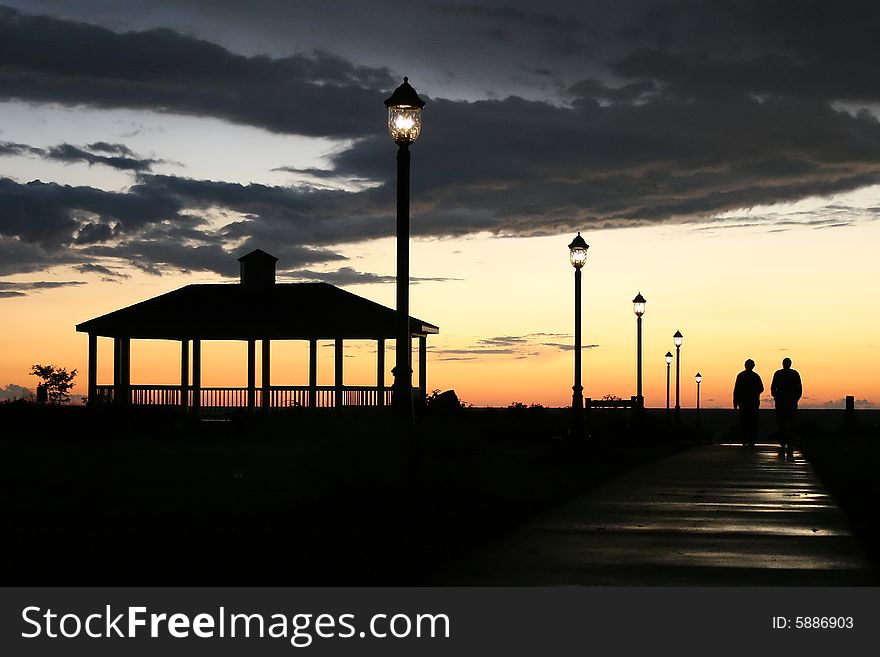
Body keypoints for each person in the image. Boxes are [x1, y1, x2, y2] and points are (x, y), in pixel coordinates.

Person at [771, 357, 802, 451]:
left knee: (783, 422)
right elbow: (799, 388)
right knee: (789, 422)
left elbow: (773, 388)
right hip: (789, 401)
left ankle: (784, 441)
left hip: (784, 401)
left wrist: (776, 397)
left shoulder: (779, 373)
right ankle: (788, 441)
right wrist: (795, 398)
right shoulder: (794, 374)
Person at [733, 359, 763, 446]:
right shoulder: (754, 376)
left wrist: (735, 401)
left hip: (747, 402)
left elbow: (736, 390)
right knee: (749, 421)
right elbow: (761, 388)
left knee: (746, 421)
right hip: (750, 402)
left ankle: (747, 439)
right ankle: (749, 439)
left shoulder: (742, 375)